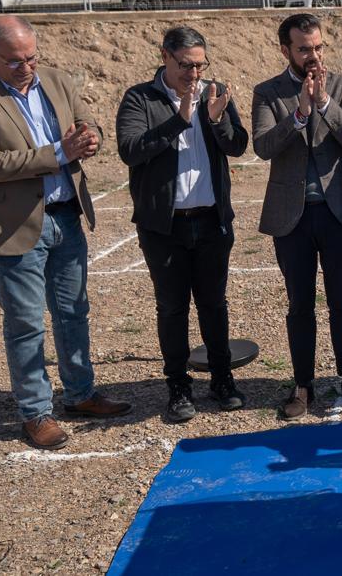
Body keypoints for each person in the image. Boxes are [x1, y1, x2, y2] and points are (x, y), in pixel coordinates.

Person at [0, 17, 129, 450]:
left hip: (66, 215)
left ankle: (81, 395)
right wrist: (57, 154)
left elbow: (88, 125)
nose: (26, 67)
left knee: (73, 312)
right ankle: (35, 413)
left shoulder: (56, 80)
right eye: (14, 61)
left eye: (31, 57)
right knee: (26, 323)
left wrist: (90, 139)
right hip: (11, 225)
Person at [116, 27, 248, 423]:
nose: (194, 73)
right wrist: (179, 119)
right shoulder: (140, 97)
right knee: (172, 307)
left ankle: (222, 379)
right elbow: (131, 150)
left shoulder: (215, 91)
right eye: (185, 65)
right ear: (165, 57)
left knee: (213, 304)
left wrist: (216, 120)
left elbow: (238, 145)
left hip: (210, 221)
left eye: (199, 65)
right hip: (164, 227)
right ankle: (177, 385)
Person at [252, 14, 342, 420]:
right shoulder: (267, 92)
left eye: (318, 47)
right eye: (304, 48)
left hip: (339, 211)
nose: (313, 55)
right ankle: (302, 384)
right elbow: (264, 146)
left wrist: (323, 102)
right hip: (292, 217)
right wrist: (299, 115)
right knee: (299, 303)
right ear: (285, 50)